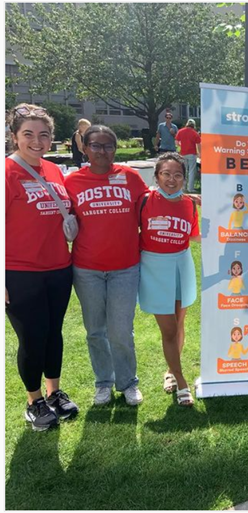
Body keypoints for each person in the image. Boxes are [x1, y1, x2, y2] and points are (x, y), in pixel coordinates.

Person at [5, 103, 79, 431]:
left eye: (44, 135)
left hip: (58, 268)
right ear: (14, 137)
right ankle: (34, 400)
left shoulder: (53, 171)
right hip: (20, 272)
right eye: (28, 134)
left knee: (53, 333)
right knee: (32, 337)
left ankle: (53, 392)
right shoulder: (7, 173)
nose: (37, 141)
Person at [64, 125, 149, 406]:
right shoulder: (72, 181)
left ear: (115, 149)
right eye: (96, 146)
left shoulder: (131, 178)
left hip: (125, 267)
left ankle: (127, 382)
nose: (102, 151)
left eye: (108, 146)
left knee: (121, 330)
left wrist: (182, 199)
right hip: (87, 269)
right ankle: (103, 382)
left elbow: (153, 204)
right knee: (95, 330)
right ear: (85, 148)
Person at [138, 152, 200, 406]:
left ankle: (170, 371)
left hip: (181, 264)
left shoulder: (190, 204)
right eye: (166, 174)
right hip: (154, 266)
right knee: (169, 328)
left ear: (184, 179)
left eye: (177, 175)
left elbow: (195, 236)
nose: (171, 179)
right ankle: (181, 380)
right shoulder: (143, 201)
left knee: (180, 323)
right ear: (156, 176)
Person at [175, 119, 201, 193]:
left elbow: (176, 142)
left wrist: (181, 145)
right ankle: (190, 188)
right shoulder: (195, 133)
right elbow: (198, 144)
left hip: (182, 154)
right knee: (192, 171)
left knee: (184, 171)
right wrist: (200, 153)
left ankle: (183, 187)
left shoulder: (180, 131)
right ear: (193, 125)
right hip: (192, 154)